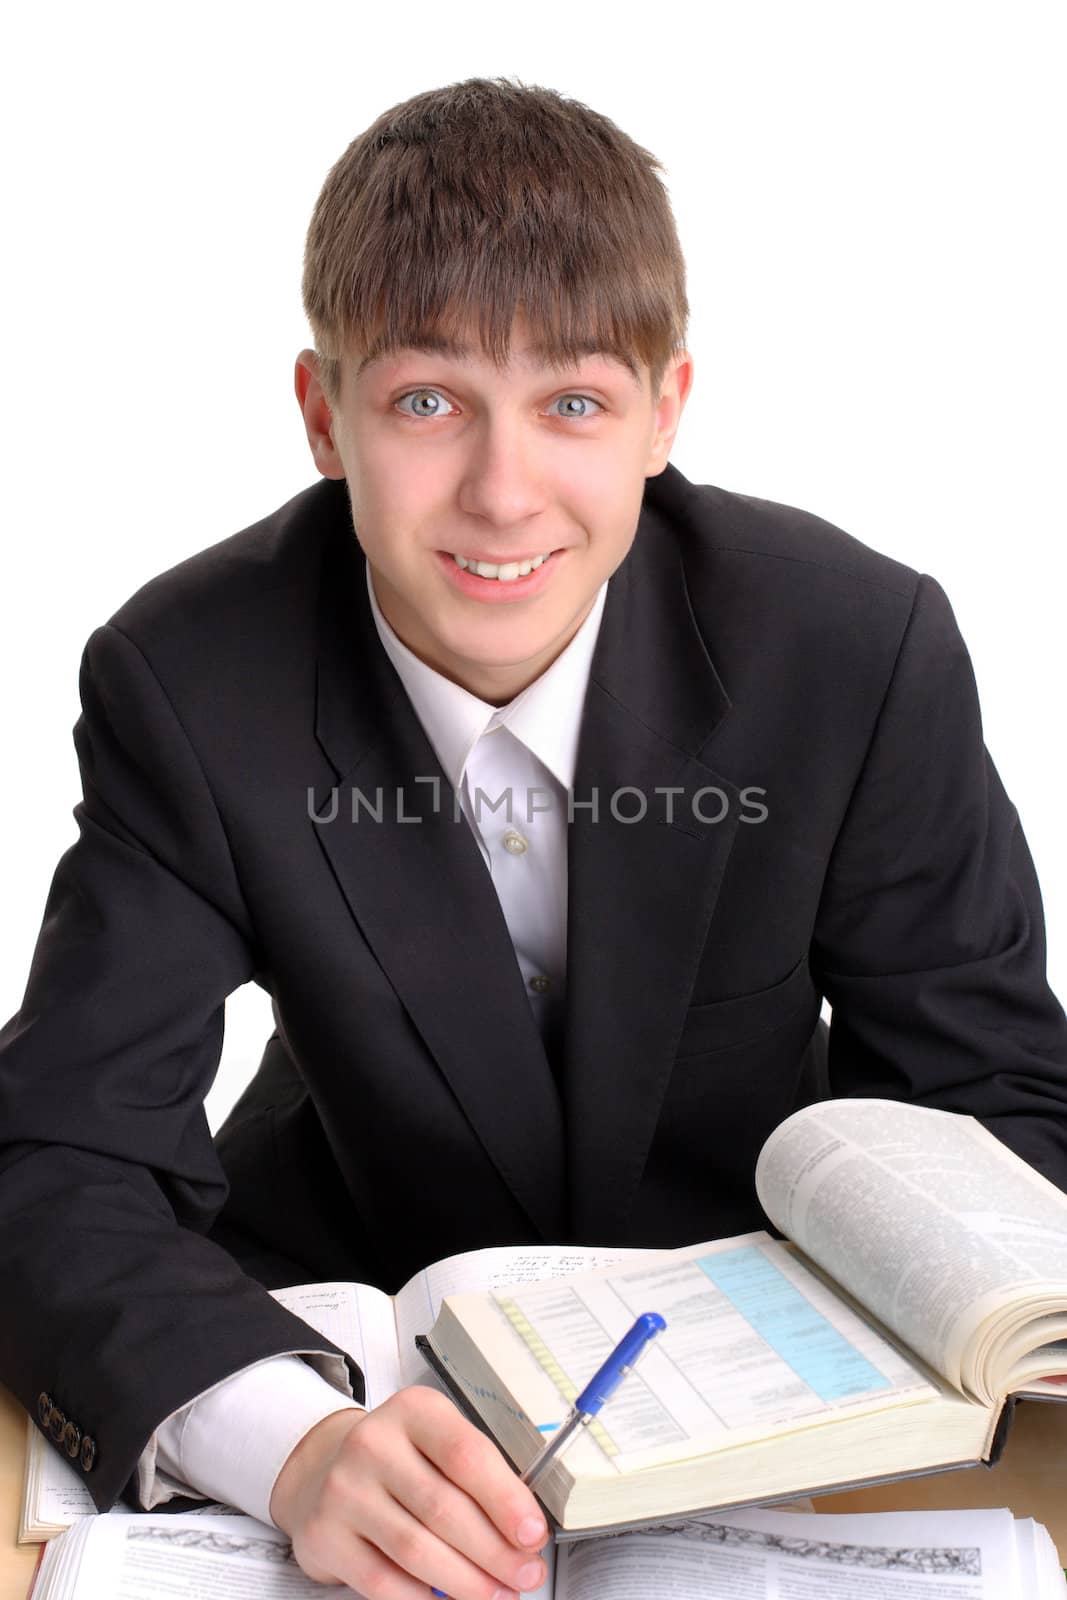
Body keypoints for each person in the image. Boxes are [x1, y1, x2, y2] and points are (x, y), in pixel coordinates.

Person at [1, 74, 1065, 1600]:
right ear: (324, 417)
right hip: (359, 1311)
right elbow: (59, 1152)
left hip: (788, 1393)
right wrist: (289, 1444)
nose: (502, 497)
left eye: (573, 403)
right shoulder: (188, 679)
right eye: (427, 401)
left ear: (665, 414)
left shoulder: (853, 645)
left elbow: (996, 1094)